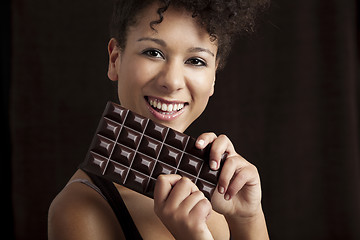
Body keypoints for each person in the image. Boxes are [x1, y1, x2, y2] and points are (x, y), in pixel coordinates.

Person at [48, 0, 269, 239]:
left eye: (195, 61)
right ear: (115, 59)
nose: (172, 81)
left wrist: (248, 219)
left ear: (213, 76)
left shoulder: (227, 200)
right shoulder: (79, 211)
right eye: (153, 53)